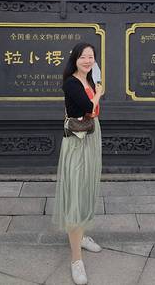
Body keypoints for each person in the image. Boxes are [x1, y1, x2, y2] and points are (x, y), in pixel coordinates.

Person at [53, 42, 103, 285]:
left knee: (86, 188)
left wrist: (96, 89)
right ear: (74, 59)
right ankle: (76, 260)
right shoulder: (71, 83)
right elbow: (88, 107)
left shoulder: (90, 79)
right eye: (83, 56)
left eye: (91, 57)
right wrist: (100, 93)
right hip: (76, 141)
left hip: (91, 135)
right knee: (75, 194)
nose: (87, 60)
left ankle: (81, 237)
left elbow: (93, 112)